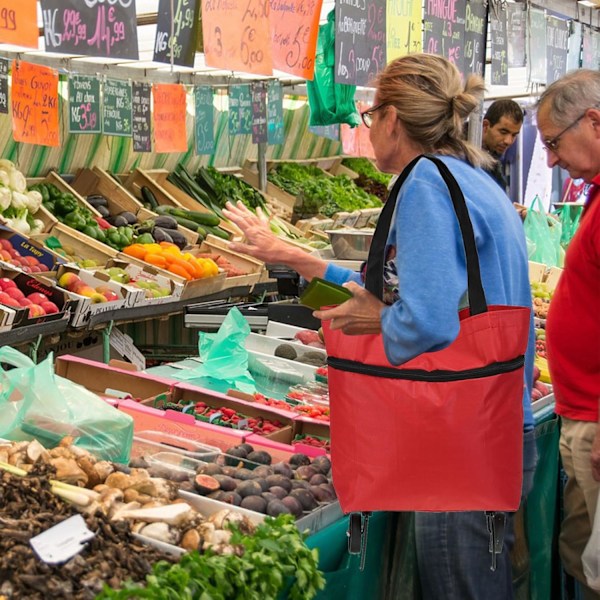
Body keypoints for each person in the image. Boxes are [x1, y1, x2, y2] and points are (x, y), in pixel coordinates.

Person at [224, 53, 536, 600]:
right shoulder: (471, 176)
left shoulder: (425, 184)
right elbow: (409, 285)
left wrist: (380, 319)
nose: (367, 130)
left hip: (457, 441)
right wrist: (299, 258)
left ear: (392, 118)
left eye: (369, 117)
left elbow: (427, 320)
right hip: (495, 420)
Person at [536, 69, 600, 600]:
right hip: (584, 410)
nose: (551, 160)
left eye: (554, 143)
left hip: (596, 420)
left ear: (594, 122)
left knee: (592, 562)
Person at [482, 99, 524, 191]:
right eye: (503, 132)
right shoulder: (460, 157)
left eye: (514, 135)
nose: (508, 141)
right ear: (486, 126)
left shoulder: (493, 162)